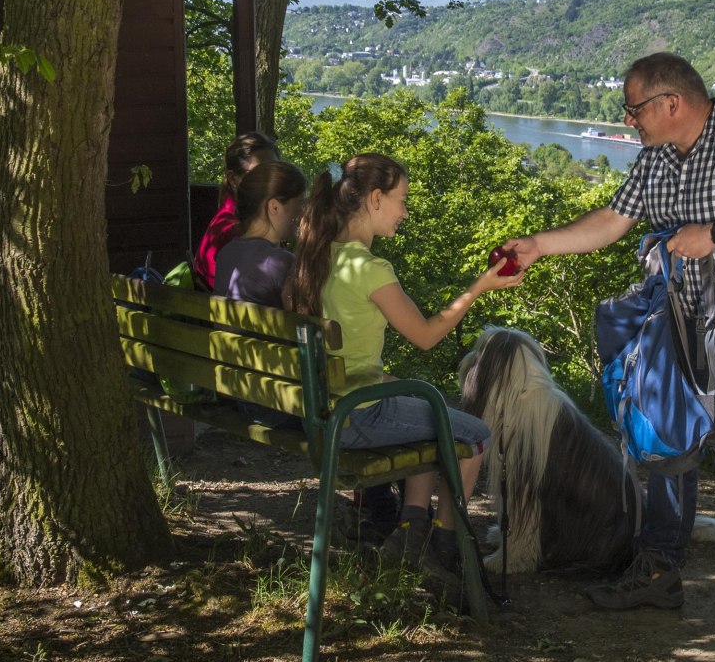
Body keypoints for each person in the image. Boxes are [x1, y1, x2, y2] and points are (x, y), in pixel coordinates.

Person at [500, 52, 715, 645]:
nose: (630, 120)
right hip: (684, 318)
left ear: (670, 102)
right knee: (667, 440)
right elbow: (615, 219)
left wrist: (714, 234)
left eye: (635, 108)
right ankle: (659, 571)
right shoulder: (657, 158)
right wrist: (539, 245)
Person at [282, 152, 525, 569]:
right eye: (402, 199)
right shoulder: (370, 268)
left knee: (423, 410)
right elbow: (427, 336)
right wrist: (480, 287)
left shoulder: (316, 257)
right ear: (375, 199)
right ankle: (445, 543)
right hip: (354, 417)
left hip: (319, 410)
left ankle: (411, 533)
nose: (406, 212)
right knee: (474, 435)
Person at [213, 160, 307, 308]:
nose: (304, 213)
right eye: (301, 205)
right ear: (274, 207)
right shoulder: (281, 262)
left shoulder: (226, 253)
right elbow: (304, 319)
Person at [193, 131, 278, 290]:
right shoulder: (236, 232)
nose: (270, 182)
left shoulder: (229, 219)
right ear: (233, 179)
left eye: (275, 172)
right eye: (258, 174)